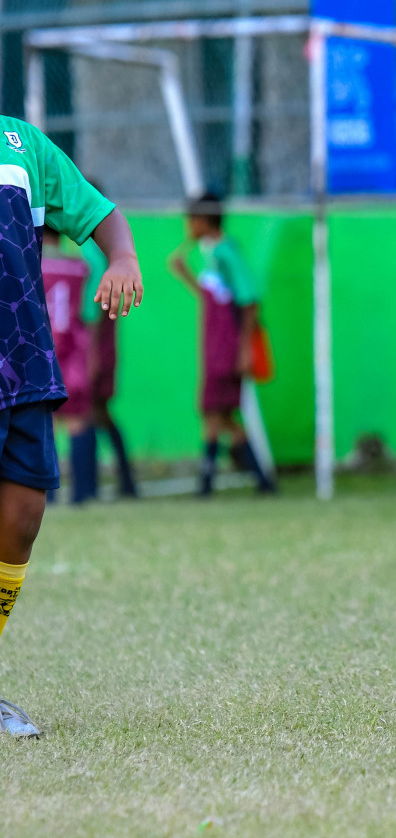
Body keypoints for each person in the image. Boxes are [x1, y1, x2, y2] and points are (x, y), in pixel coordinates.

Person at [0, 118, 142, 738]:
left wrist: (124, 256)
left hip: (25, 362)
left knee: (23, 517)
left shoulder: (22, 144)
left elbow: (97, 211)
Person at [168, 193, 275, 497]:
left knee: (214, 412)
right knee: (222, 415)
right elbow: (211, 297)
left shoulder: (227, 252)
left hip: (226, 347)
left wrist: (243, 350)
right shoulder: (211, 253)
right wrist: (185, 274)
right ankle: (261, 481)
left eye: (191, 220)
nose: (188, 226)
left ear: (203, 221)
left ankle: (209, 484)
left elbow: (249, 300)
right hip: (213, 345)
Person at [39, 227, 95, 504]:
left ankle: (47, 496)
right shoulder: (79, 267)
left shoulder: (27, 263)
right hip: (73, 354)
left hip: (39, 355)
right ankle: (82, 493)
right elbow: (88, 313)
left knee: (43, 422)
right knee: (76, 422)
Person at [80, 238, 136, 498]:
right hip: (103, 344)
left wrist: (89, 354)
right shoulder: (107, 252)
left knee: (87, 412)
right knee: (100, 412)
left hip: (94, 345)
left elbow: (94, 308)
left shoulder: (92, 254)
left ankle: (88, 487)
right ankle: (126, 481)